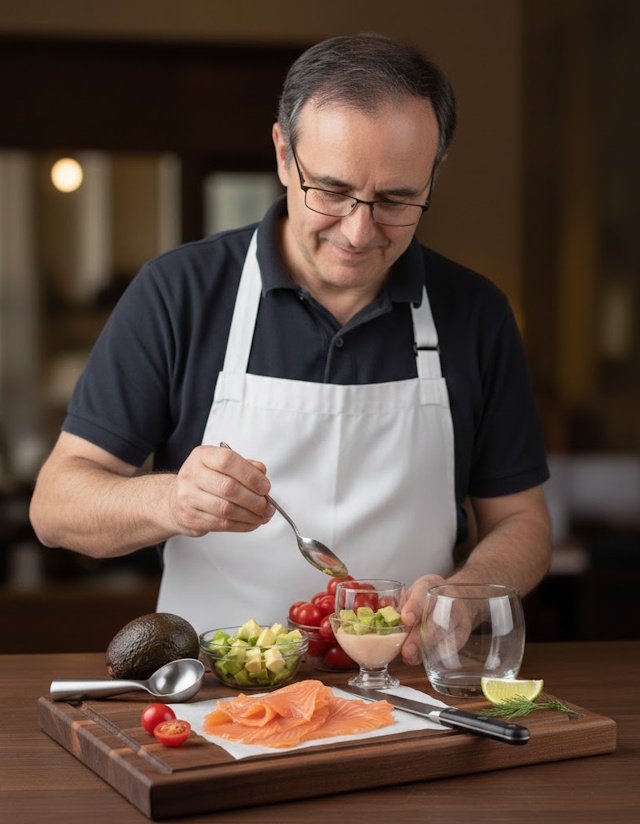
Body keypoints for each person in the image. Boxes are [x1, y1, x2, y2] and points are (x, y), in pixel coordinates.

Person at [29, 32, 551, 665]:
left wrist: (462, 599)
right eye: (330, 191)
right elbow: (56, 507)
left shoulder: (475, 312)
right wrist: (171, 500)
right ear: (283, 154)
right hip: (214, 697)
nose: (359, 232)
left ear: (434, 171)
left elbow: (522, 523)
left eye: (395, 200)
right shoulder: (181, 292)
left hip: (404, 695)